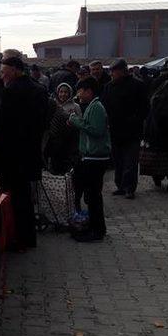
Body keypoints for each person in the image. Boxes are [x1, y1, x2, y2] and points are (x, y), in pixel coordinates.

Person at [0, 55, 48, 250]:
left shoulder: (10, 92)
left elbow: (0, 129)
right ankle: (28, 238)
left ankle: (15, 239)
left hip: (10, 157)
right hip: (29, 154)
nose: (1, 76)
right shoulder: (39, 89)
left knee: (11, 199)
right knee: (25, 197)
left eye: (4, 72)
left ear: (14, 69)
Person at [68, 77, 111, 242]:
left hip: (96, 157)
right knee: (91, 196)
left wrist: (75, 121)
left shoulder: (97, 107)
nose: (79, 94)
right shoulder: (92, 106)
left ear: (89, 91)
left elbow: (96, 130)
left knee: (93, 196)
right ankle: (95, 227)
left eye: (80, 90)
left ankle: (97, 230)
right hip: (91, 156)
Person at [102, 58, 149, 199]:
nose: (112, 74)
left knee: (131, 161)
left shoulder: (137, 85)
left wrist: (135, 119)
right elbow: (104, 106)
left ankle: (129, 188)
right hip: (115, 130)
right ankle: (120, 186)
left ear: (123, 71)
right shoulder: (109, 87)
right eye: (111, 72)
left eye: (114, 71)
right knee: (118, 160)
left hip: (132, 131)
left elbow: (145, 107)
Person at [44, 83, 81, 174]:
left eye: (65, 92)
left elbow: (80, 121)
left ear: (70, 93)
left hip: (71, 139)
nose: (63, 94)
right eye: (61, 92)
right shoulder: (53, 104)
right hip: (56, 139)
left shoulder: (75, 106)